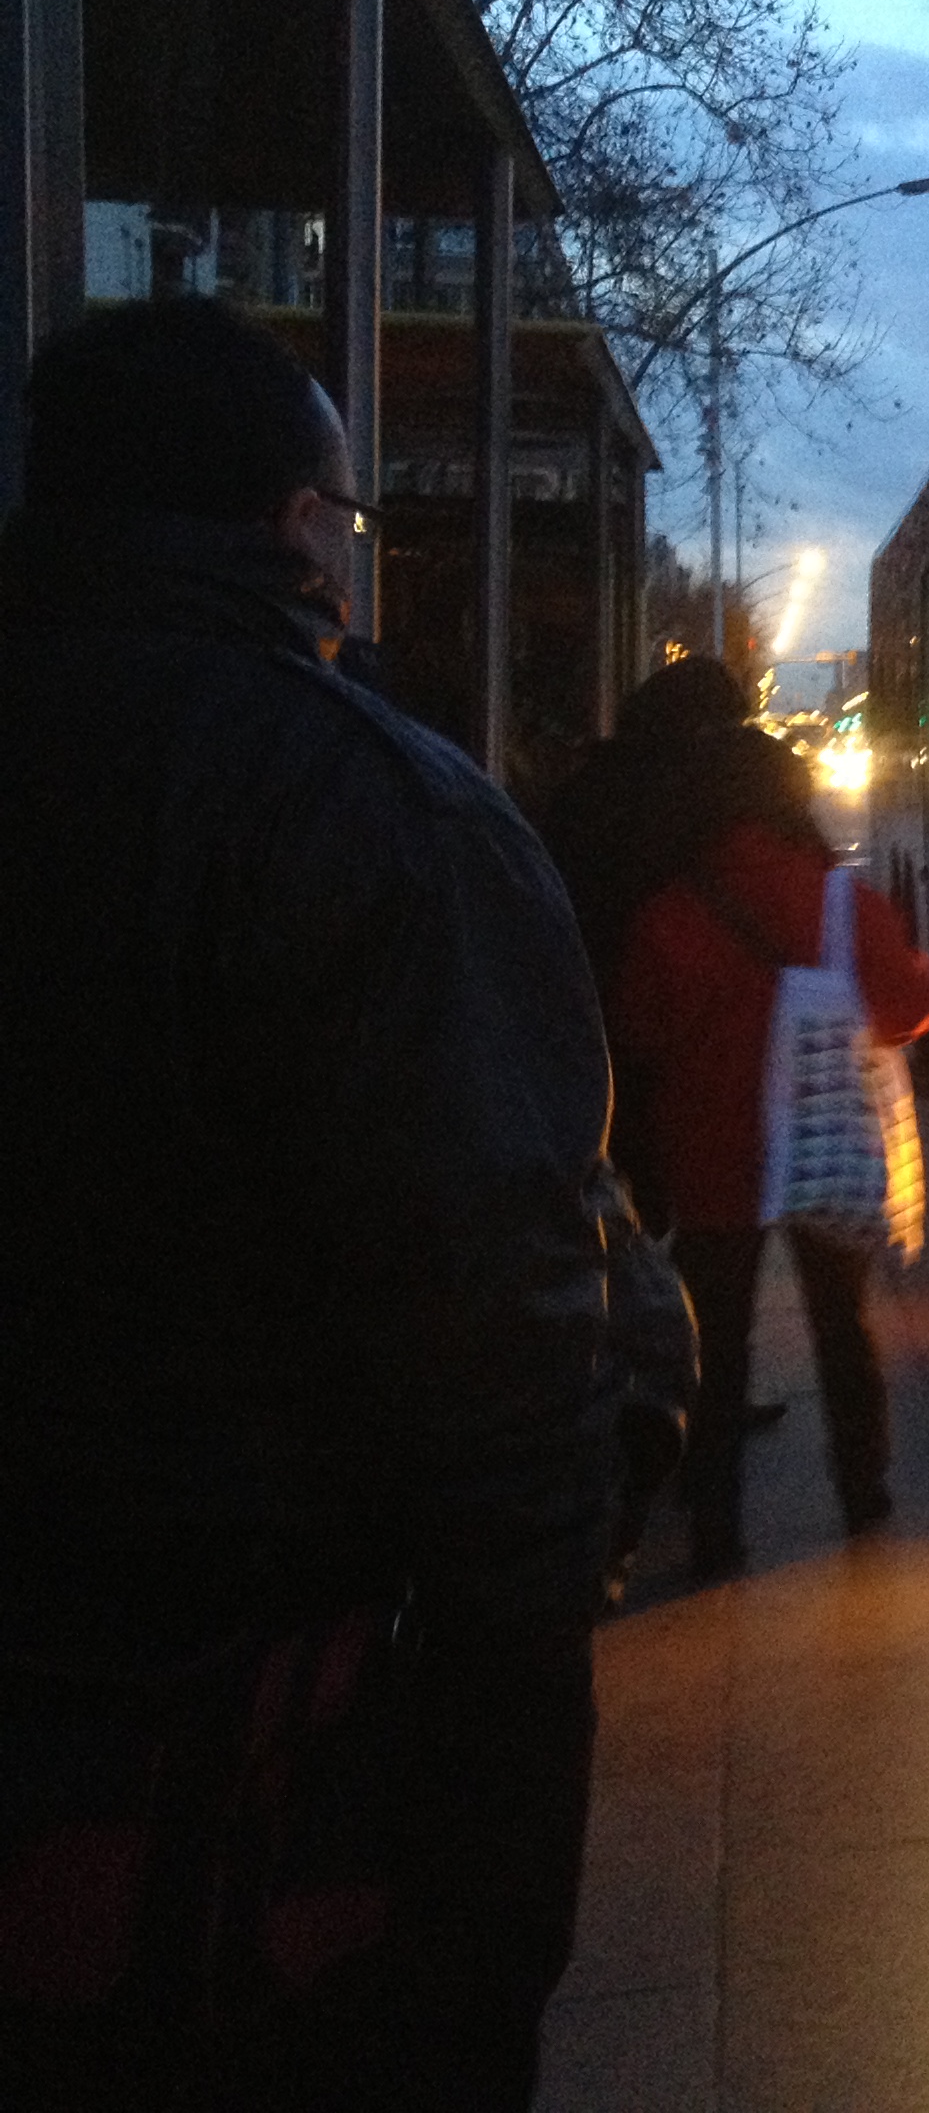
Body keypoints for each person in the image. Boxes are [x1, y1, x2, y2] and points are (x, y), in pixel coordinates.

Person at [0, 297, 620, 2106]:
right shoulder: (366, 807)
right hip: (245, 1767)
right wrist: (498, 1881)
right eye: (345, 520)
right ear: (293, 526)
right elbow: (506, 1357)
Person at [549, 657, 929, 1578]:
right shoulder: (845, 903)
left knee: (716, 1348)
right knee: (844, 1327)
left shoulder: (673, 912)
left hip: (713, 1161)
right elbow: (910, 1007)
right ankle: (865, 1497)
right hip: (825, 1149)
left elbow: (639, 1028)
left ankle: (717, 1534)